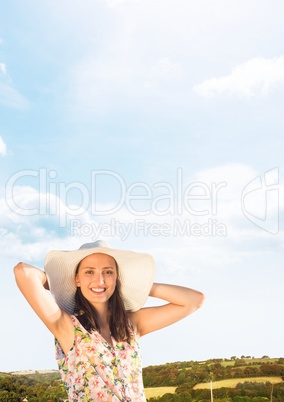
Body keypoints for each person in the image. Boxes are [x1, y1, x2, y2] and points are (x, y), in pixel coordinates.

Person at [14, 240, 205, 402]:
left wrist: (140, 285)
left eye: (108, 272)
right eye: (89, 272)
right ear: (77, 279)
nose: (100, 280)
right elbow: (23, 272)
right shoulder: (67, 327)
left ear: (117, 278)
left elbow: (193, 300)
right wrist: (59, 282)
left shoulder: (131, 325)